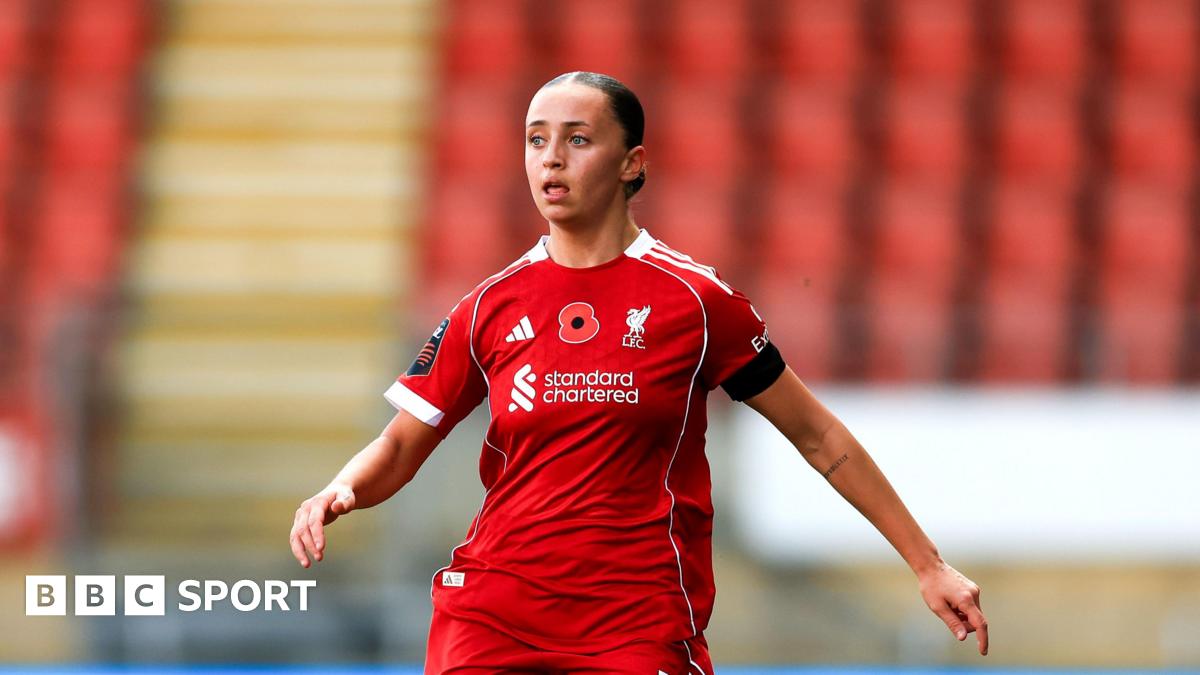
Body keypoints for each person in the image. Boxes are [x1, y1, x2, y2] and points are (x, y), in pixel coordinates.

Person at [289, 71, 988, 672]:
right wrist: (339, 489)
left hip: (634, 619)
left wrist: (927, 564)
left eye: (577, 139)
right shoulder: (488, 307)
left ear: (632, 162)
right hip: (493, 611)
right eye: (535, 139)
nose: (551, 158)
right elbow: (401, 444)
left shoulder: (697, 302)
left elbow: (820, 436)